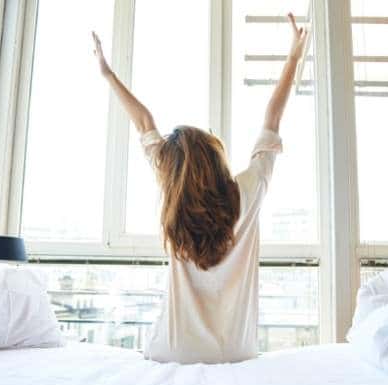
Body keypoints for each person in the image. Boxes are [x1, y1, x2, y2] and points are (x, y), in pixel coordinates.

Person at [92, 13, 308, 364]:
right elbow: (272, 118)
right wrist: (294, 57)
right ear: (215, 155)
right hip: (234, 351)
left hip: (174, 352)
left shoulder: (174, 198)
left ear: (173, 170)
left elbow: (145, 122)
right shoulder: (247, 192)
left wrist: (107, 74)